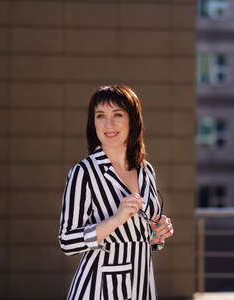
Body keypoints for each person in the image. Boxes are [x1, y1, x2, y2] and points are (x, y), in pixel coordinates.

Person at [58, 85, 174, 300]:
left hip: (142, 286)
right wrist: (116, 219)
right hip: (99, 289)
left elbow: (139, 236)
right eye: (100, 115)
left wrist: (156, 233)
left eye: (117, 114)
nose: (108, 124)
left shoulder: (146, 170)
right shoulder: (84, 172)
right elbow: (67, 241)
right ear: (93, 123)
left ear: (133, 120)